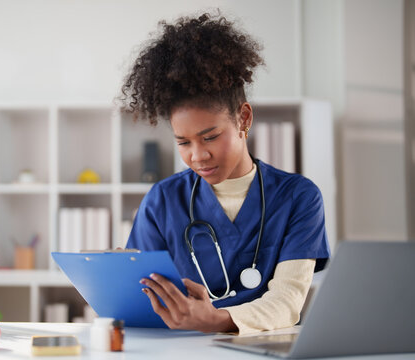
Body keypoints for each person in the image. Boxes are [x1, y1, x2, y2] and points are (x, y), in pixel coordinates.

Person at [119, 12, 330, 335]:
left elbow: (287, 301)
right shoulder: (162, 200)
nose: (198, 156)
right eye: (183, 142)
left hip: (264, 351)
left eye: (210, 137)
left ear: (243, 118)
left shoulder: (298, 197)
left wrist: (216, 320)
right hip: (180, 352)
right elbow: (141, 299)